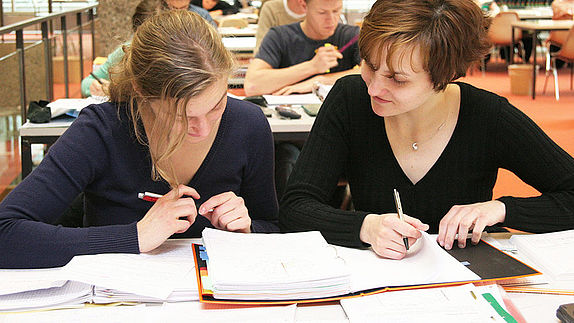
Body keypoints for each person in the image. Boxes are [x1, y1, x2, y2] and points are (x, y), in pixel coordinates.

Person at [279, 0, 574, 260]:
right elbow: (295, 207)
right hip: (378, 285)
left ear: (443, 77)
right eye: (369, 65)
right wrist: (366, 227)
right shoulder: (349, 98)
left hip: (470, 289)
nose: (374, 87)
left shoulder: (488, 116)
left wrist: (501, 209)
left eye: (398, 79)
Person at [0, 10, 278, 269]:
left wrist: (249, 228)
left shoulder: (248, 125)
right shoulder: (102, 130)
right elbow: (5, 232)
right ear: (141, 92)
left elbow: (275, 228)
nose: (203, 129)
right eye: (181, 117)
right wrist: (135, 237)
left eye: (217, 105)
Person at [81, 0, 215, 97]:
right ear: (136, 32)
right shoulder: (127, 50)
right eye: (143, 37)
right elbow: (87, 83)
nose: (149, 45)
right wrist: (97, 87)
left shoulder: (181, 54)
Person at [244, 0, 360, 96]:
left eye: (336, 11)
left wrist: (320, 81)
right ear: (304, 6)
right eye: (322, 12)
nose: (331, 19)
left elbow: (369, 73)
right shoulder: (279, 36)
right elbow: (252, 85)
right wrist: (313, 66)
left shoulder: (352, 35)